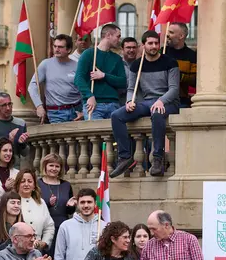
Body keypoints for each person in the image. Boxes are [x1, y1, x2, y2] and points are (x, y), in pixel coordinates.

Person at [110, 30, 180, 178]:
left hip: (168, 102)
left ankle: (157, 158)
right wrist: (129, 101)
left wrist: (161, 101)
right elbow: (131, 89)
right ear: (143, 45)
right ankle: (125, 157)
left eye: (156, 43)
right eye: (150, 43)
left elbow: (174, 89)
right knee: (117, 115)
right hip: (147, 102)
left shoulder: (170, 62)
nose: (154, 46)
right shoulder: (137, 65)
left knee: (157, 112)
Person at [53, 187, 103, 260]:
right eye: (82, 202)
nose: (86, 205)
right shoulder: (66, 226)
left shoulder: (104, 227)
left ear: (95, 204)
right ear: (77, 204)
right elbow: (59, 256)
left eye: (89, 202)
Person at [74, 24, 127, 120]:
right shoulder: (88, 54)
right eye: (118, 36)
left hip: (114, 105)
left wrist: (104, 75)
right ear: (108, 35)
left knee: (114, 135)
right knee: (95, 134)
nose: (119, 40)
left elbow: (123, 82)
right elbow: (78, 78)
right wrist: (89, 96)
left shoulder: (117, 58)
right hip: (93, 104)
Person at [28, 34, 84, 124]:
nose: (56, 49)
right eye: (55, 46)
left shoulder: (77, 66)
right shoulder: (45, 64)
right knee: (60, 138)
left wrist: (83, 111)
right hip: (56, 113)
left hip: (77, 111)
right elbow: (32, 85)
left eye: (60, 47)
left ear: (69, 50)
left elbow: (84, 89)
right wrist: (39, 106)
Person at [38, 153, 76, 259]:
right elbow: (34, 207)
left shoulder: (66, 185)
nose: (54, 169)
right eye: (51, 165)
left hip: (63, 227)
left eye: (57, 166)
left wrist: (71, 206)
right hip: (44, 228)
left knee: (61, 257)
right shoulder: (37, 184)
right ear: (45, 166)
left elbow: (69, 211)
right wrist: (48, 204)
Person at [13, 169, 55, 253]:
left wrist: (44, 243)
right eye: (22, 181)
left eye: (29, 181)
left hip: (36, 252)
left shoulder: (40, 202)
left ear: (34, 185)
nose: (26, 184)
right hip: (15, 252)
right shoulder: (12, 202)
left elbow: (49, 226)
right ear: (17, 184)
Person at [164, 22, 197, 107]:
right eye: (168, 32)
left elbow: (195, 80)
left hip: (181, 100)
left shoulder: (192, 55)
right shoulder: (162, 52)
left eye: (171, 32)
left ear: (181, 36)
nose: (167, 35)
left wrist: (179, 76)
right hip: (160, 98)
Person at [0, 93, 29, 157]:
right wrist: (9, 141)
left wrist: (22, 144)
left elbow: (25, 154)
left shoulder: (21, 123)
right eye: (4, 105)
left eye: (9, 104)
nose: (8, 108)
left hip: (15, 165)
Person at [0, 138, 19, 219]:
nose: (8, 153)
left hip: (14, 218)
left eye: (10, 151)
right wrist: (3, 188)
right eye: (5, 150)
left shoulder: (17, 173)